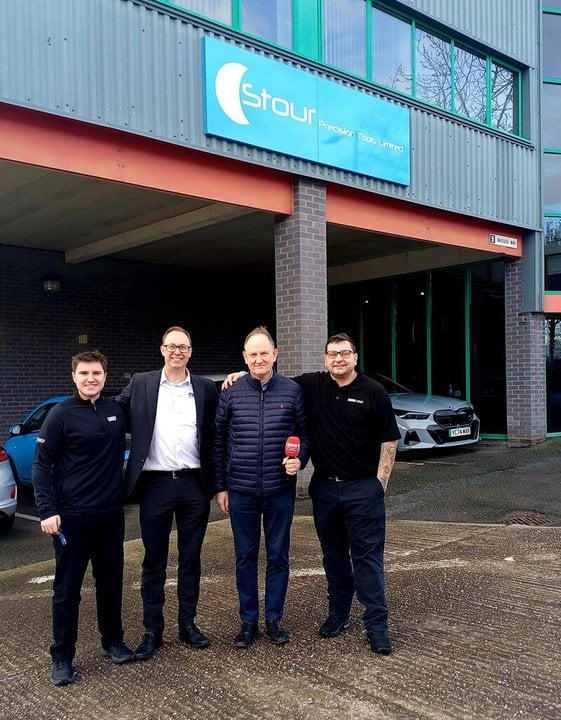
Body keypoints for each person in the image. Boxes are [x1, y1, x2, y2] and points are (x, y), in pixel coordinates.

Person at [224, 332, 400, 654]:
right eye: (332, 354)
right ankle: (339, 615)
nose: (338, 359)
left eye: (344, 353)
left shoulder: (373, 391)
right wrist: (239, 374)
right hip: (325, 488)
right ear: (325, 358)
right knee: (334, 557)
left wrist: (379, 484)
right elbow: (267, 378)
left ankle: (377, 625)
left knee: (367, 559)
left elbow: (389, 439)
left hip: (363, 488)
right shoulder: (312, 385)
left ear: (355, 357)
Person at [32, 350, 134, 687]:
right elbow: (41, 465)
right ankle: (62, 656)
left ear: (105, 376)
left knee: (111, 583)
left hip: (110, 516)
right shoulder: (60, 415)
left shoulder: (116, 410)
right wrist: (47, 510)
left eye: (97, 373)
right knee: (67, 590)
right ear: (74, 377)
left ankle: (113, 642)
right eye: (84, 373)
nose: (91, 379)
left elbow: (151, 398)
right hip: (72, 519)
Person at [118, 326, 218, 660]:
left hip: (194, 484)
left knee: (190, 558)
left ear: (190, 352)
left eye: (184, 347)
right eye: (172, 346)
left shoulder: (205, 388)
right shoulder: (141, 383)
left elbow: (218, 429)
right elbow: (112, 414)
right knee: (154, 561)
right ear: (162, 349)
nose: (177, 352)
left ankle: (188, 625)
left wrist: (236, 378)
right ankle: (153, 631)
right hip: (155, 484)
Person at [214, 327, 309, 648]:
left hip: (280, 488)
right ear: (245, 358)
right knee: (245, 556)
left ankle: (274, 618)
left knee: (278, 555)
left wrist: (300, 460)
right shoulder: (231, 392)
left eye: (264, 353)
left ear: (275, 355)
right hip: (240, 489)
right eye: (252, 354)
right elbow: (217, 441)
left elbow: (306, 435)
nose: (259, 359)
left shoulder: (292, 390)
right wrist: (221, 487)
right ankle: (248, 621)